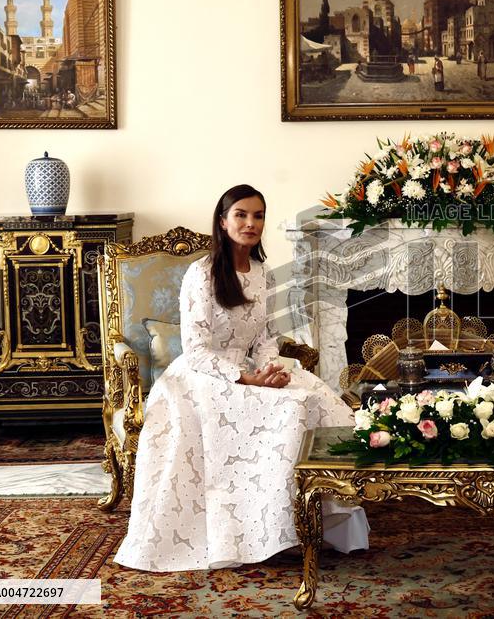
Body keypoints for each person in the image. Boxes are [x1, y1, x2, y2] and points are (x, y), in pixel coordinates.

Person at [113, 184, 369, 572]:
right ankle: (256, 531)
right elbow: (195, 350)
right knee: (282, 410)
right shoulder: (201, 274)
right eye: (241, 215)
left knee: (313, 397)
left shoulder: (263, 273)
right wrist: (247, 379)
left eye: (258, 215)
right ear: (223, 221)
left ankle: (310, 519)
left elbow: (265, 339)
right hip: (201, 375)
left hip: (252, 371)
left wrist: (270, 370)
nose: (251, 223)